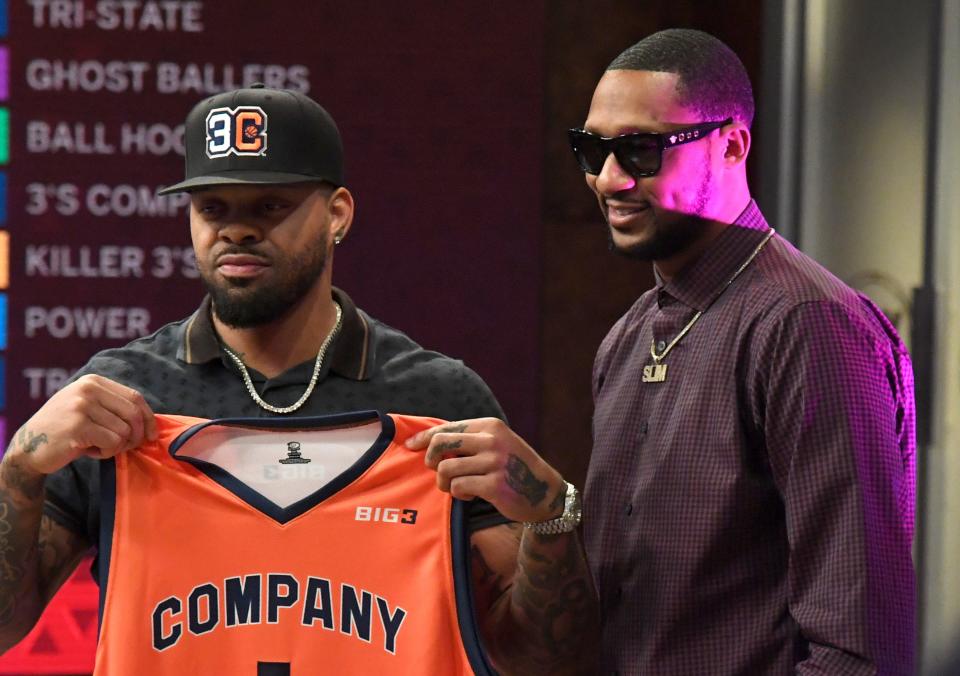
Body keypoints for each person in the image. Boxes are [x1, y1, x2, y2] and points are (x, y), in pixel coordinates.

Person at [0, 85, 597, 674]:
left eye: (270, 206)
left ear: (336, 213)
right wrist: (18, 471)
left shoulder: (436, 399)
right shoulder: (125, 395)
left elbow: (541, 660)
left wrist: (549, 514)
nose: (235, 231)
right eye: (213, 208)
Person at [412, 28, 915, 675]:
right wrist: (549, 514)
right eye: (592, 151)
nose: (609, 180)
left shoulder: (807, 323)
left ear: (732, 144)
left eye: (642, 151)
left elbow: (862, 651)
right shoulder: (626, 337)